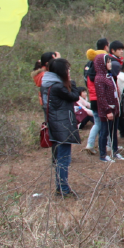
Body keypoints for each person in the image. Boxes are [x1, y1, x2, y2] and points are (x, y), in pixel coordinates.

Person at [41, 58, 82, 197]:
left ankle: (61, 187)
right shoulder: (58, 87)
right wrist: (73, 83)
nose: (69, 72)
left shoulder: (49, 84)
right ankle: (63, 189)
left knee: (61, 158)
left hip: (57, 122)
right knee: (64, 158)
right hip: (61, 124)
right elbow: (74, 96)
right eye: (67, 69)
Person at [94, 52, 122, 162]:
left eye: (110, 61)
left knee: (114, 131)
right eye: (108, 62)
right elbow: (101, 97)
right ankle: (103, 155)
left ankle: (115, 151)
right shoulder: (99, 79)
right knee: (104, 132)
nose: (110, 64)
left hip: (114, 108)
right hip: (106, 110)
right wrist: (107, 110)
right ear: (102, 63)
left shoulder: (109, 75)